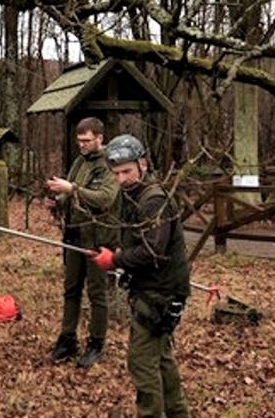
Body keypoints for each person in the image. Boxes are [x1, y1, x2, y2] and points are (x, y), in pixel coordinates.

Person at [90, 134, 190, 418]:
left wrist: (116, 259)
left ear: (142, 165)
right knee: (162, 361)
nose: (121, 179)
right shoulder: (132, 196)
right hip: (152, 288)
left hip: (160, 293)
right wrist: (117, 252)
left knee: (143, 364)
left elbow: (152, 251)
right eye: (117, 173)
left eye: (127, 171)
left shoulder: (152, 200)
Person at [44, 117, 120, 367]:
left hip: (98, 238)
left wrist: (71, 189)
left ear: (100, 138)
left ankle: (96, 343)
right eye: (79, 141)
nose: (82, 145)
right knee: (71, 289)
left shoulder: (110, 164)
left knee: (97, 293)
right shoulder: (79, 161)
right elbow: (71, 194)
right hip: (74, 234)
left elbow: (105, 198)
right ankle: (67, 339)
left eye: (87, 141)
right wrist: (58, 201)